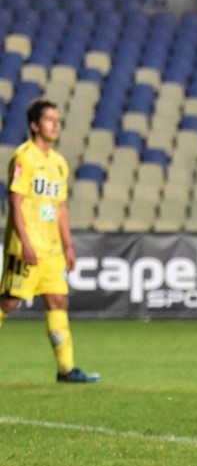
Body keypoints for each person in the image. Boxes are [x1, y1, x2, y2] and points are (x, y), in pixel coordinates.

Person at [0, 98, 99, 383]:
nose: (56, 125)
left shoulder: (59, 163)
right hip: (27, 247)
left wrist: (68, 246)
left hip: (52, 250)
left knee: (58, 300)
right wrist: (25, 243)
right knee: (8, 303)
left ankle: (66, 369)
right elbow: (15, 202)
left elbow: (61, 209)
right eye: (49, 119)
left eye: (58, 120)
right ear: (34, 125)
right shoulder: (24, 157)